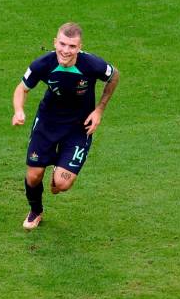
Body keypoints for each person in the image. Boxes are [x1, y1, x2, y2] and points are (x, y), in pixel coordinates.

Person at [12, 22, 120, 230]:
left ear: (79, 47)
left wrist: (99, 110)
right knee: (33, 176)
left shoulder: (92, 65)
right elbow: (21, 89)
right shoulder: (42, 64)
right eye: (62, 44)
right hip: (47, 124)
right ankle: (36, 210)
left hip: (79, 128)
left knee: (62, 184)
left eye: (72, 46)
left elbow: (114, 75)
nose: (66, 50)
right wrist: (19, 110)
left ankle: (58, 170)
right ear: (55, 42)